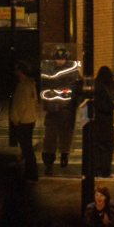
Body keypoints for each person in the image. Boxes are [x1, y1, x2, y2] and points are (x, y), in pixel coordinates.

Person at [40, 47, 81, 175]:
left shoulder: (72, 71)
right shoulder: (48, 70)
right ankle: (49, 162)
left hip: (66, 110)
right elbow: (44, 85)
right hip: (52, 110)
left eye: (62, 59)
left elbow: (77, 89)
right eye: (58, 59)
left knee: (65, 136)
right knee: (50, 138)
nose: (60, 61)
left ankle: (64, 155)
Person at [10, 61, 39, 183]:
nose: (16, 73)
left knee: (27, 148)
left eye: (17, 70)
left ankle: (32, 174)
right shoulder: (31, 85)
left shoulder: (22, 86)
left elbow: (19, 105)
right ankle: (30, 172)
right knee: (27, 148)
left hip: (23, 121)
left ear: (20, 72)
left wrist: (16, 119)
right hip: (30, 119)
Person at [90, 66, 114, 179]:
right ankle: (104, 171)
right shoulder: (102, 88)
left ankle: (99, 170)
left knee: (99, 148)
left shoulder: (97, 86)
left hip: (98, 124)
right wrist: (113, 106)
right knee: (106, 147)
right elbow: (103, 106)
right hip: (104, 124)